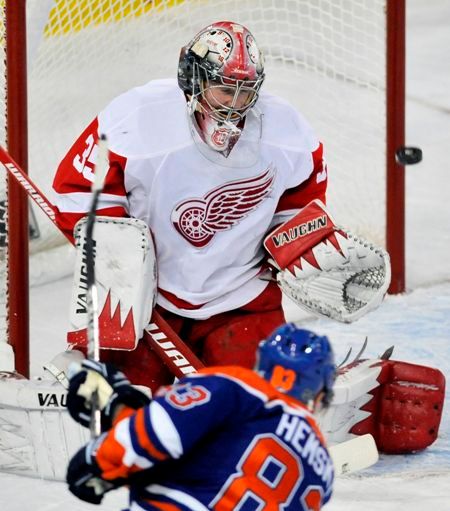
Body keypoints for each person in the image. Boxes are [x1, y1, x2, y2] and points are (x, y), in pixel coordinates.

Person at [52, 21, 331, 391]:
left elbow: (301, 202)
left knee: (258, 404)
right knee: (126, 411)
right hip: (145, 303)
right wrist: (121, 266)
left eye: (244, 92)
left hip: (241, 296)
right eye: (223, 89)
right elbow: (77, 192)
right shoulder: (136, 117)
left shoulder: (287, 133)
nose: (234, 104)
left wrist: (296, 251)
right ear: (194, 78)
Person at [65, 323, 337, 510]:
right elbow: (215, 475)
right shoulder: (324, 470)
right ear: (319, 392)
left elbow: (157, 433)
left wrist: (100, 458)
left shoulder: (238, 385)